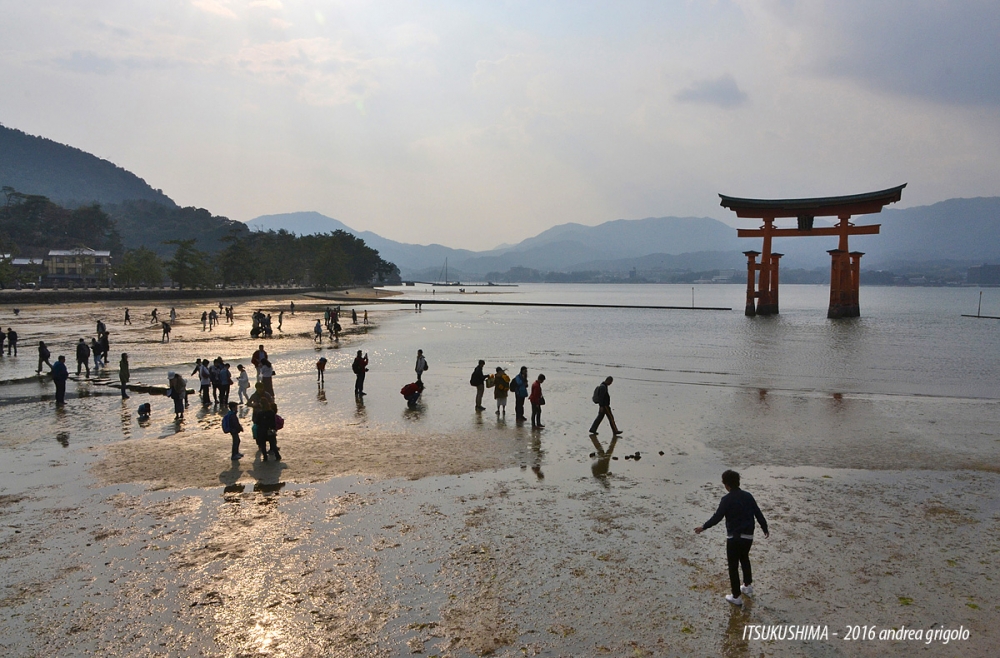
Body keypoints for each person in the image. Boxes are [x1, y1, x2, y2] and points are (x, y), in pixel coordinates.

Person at [695, 469, 770, 607]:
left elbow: (717, 517)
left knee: (733, 566)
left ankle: (736, 596)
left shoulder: (726, 499)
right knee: (745, 558)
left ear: (726, 484)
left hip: (734, 538)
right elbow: (758, 513)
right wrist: (764, 528)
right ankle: (747, 586)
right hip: (748, 536)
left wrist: (703, 527)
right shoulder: (748, 496)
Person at [247, 382, 280, 461]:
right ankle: (261, 446)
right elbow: (248, 403)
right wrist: (253, 405)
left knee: (270, 435)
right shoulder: (254, 395)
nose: (260, 390)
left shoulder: (267, 395)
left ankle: (272, 448)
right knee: (259, 434)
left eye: (261, 388)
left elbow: (272, 402)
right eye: (258, 388)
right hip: (257, 415)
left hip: (266, 416)